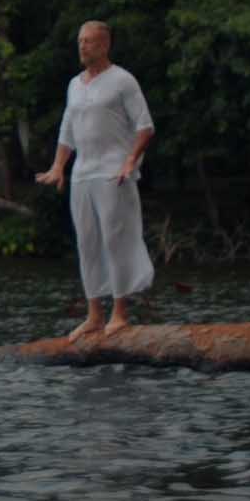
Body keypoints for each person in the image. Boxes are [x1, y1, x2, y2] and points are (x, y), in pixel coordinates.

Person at [34, 20, 155, 340]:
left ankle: (120, 313)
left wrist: (131, 159)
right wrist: (59, 167)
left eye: (89, 41)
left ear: (105, 45)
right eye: (80, 41)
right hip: (83, 174)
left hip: (113, 172)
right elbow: (67, 131)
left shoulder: (123, 80)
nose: (83, 46)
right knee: (87, 242)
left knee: (115, 240)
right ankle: (94, 315)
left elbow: (145, 126)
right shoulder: (75, 84)